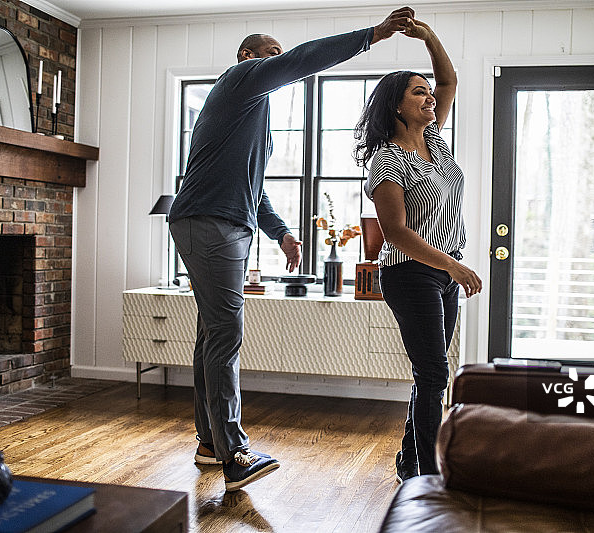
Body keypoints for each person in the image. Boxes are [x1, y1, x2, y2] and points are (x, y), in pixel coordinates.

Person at [167, 6, 418, 492]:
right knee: (225, 335)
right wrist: (373, 34)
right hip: (210, 223)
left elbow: (251, 187)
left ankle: (210, 443)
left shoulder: (251, 115)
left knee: (212, 335)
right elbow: (304, 58)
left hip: (221, 224)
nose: (278, 60)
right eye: (270, 53)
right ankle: (235, 453)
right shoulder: (239, 80)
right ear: (247, 57)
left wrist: (280, 232)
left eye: (277, 55)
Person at [355, 19, 482, 483]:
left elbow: (449, 81)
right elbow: (395, 233)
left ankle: (410, 462)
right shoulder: (386, 159)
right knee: (433, 373)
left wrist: (428, 37)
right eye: (418, 93)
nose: (430, 98)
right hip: (410, 273)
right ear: (397, 106)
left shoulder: (434, 141)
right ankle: (430, 476)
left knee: (430, 374)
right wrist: (454, 266)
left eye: (429, 93)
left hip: (443, 272)